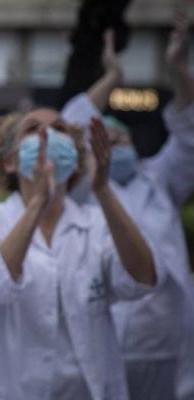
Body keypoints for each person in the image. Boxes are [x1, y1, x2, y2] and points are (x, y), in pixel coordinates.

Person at [0, 106, 161, 399]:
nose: (47, 134)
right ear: (10, 161)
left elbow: (144, 279)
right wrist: (37, 203)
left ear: (74, 161)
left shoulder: (98, 223)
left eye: (59, 129)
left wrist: (103, 190)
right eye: (32, 129)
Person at [60, 18, 194, 400]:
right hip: (105, 340)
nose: (116, 144)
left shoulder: (160, 180)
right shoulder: (84, 190)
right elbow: (71, 124)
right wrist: (113, 76)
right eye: (108, 138)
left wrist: (180, 69)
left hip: (165, 345)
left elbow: (189, 133)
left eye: (122, 137)